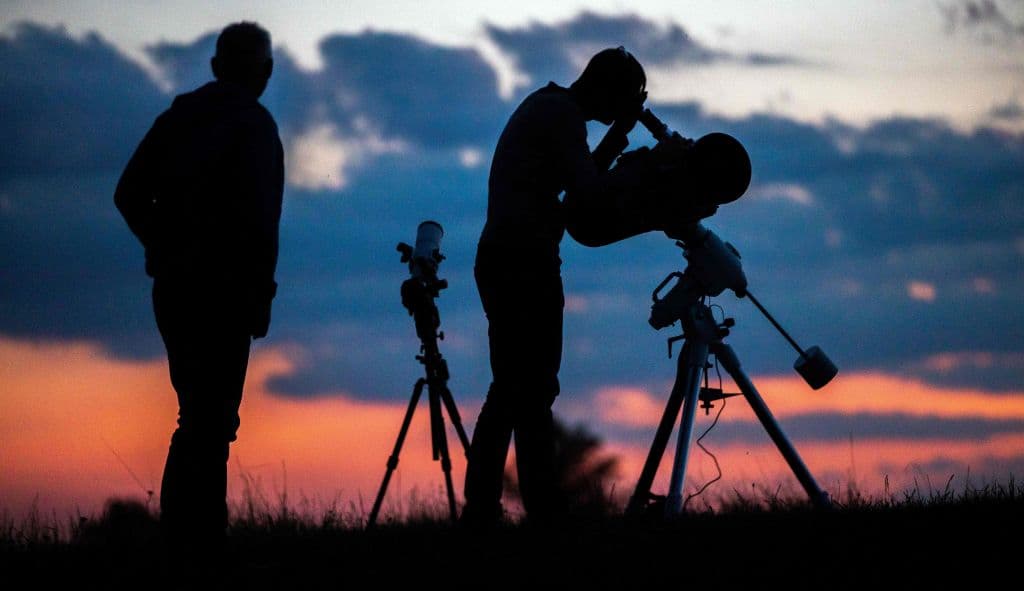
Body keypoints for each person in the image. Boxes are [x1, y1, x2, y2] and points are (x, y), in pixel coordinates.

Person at [114, 22, 283, 559]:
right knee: (210, 422)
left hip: (176, 290)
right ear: (265, 72)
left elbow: (129, 193)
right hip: (226, 293)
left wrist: (164, 246)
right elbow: (262, 222)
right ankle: (202, 540)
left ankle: (187, 537)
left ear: (215, 67)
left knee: (198, 417)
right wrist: (259, 295)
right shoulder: (254, 125)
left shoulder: (179, 117)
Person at [463, 47, 648, 525]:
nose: (621, 110)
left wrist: (620, 135)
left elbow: (575, 189)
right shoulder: (562, 117)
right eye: (623, 101)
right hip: (523, 261)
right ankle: (537, 509)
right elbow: (587, 193)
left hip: (509, 256)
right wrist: (638, 167)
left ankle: (486, 510)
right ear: (606, 90)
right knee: (527, 389)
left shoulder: (550, 108)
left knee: (514, 389)